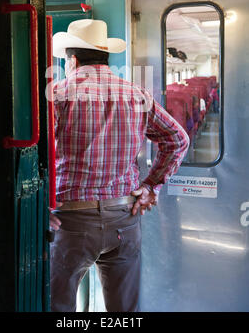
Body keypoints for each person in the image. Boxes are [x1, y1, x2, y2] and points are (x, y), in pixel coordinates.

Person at [49, 19, 189, 312]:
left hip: (71, 220)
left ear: (72, 60)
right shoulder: (137, 95)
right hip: (124, 218)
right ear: (105, 57)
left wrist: (42, 207)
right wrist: (151, 186)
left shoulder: (58, 94)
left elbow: (38, 157)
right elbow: (177, 139)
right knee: (123, 310)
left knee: (58, 306)